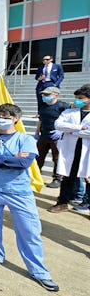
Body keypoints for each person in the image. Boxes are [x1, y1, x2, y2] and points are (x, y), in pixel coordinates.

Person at [0, 103, 59, 292]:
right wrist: (10, 158)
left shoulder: (25, 139)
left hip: (18, 192)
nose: (1, 119)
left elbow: (23, 162)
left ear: (16, 118)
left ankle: (39, 271)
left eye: (5, 116)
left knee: (29, 230)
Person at [47, 85, 90, 213]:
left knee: (88, 177)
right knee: (68, 176)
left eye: (81, 98)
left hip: (87, 150)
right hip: (71, 149)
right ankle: (63, 202)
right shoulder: (69, 112)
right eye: (76, 98)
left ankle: (87, 203)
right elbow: (58, 124)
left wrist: (72, 131)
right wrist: (79, 128)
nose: (77, 101)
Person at [34, 87, 69, 189]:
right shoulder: (43, 106)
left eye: (47, 95)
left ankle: (57, 179)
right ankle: (36, 175)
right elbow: (40, 120)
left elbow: (69, 121)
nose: (45, 97)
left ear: (56, 95)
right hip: (44, 135)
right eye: (44, 94)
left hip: (57, 137)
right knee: (38, 157)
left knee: (57, 158)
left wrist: (61, 131)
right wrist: (37, 132)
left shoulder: (63, 106)